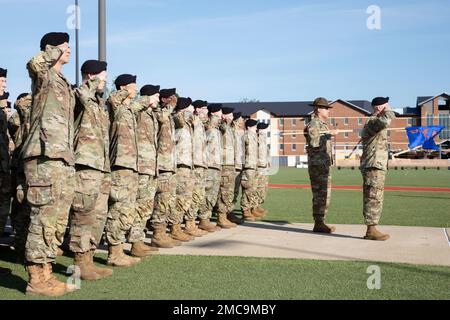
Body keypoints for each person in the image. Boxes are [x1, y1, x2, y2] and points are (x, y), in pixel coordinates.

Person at [21, 32, 78, 296]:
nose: (68, 50)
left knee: (55, 221)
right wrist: (52, 51)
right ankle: (35, 279)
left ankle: (46, 272)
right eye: (64, 47)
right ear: (51, 48)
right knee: (43, 218)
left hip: (61, 157)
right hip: (43, 156)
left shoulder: (63, 81)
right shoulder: (44, 75)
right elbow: (35, 63)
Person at [69, 60, 114, 279]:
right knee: (83, 214)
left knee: (98, 215)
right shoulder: (79, 95)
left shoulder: (98, 103)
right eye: (102, 78)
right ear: (90, 75)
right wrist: (89, 83)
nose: (104, 82)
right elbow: (79, 100)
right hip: (84, 165)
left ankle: (88, 258)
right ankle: (79, 264)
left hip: (101, 166)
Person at [105, 74, 141, 266]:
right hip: (119, 165)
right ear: (123, 87)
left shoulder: (128, 110)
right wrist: (124, 91)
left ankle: (118, 250)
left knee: (126, 210)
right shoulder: (116, 105)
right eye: (132, 86)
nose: (135, 90)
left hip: (130, 165)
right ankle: (114, 253)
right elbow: (112, 98)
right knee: (118, 209)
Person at [128, 84, 161, 256]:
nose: (158, 99)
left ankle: (139, 240)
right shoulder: (139, 111)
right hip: (141, 166)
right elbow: (130, 108)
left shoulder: (151, 115)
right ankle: (135, 242)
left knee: (146, 206)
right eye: (155, 96)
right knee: (139, 205)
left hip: (150, 167)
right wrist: (144, 101)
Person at [149, 88, 181, 248]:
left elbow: (180, 124)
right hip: (161, 165)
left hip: (169, 164)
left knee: (167, 201)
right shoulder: (157, 112)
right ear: (163, 100)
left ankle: (163, 232)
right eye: (170, 98)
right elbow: (160, 117)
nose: (174, 100)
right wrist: (169, 107)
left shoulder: (169, 115)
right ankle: (157, 233)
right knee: (160, 201)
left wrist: (174, 109)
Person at [360, 97, 395, 241]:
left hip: (377, 164)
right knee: (373, 197)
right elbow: (385, 120)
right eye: (386, 106)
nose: (389, 108)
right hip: (373, 164)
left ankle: (372, 228)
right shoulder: (373, 121)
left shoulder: (375, 121)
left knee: (376, 196)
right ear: (380, 108)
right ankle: (371, 230)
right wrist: (389, 111)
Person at [304, 97, 337, 233]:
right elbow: (314, 142)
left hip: (323, 163)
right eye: (325, 108)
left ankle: (321, 221)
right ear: (318, 109)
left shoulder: (322, 125)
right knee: (320, 193)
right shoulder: (314, 124)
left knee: (324, 194)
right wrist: (329, 134)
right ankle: (318, 222)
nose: (328, 111)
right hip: (318, 164)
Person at [8, 93, 32, 262]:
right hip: (21, 167)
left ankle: (26, 246)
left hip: (33, 167)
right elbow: (20, 106)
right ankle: (20, 247)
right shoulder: (19, 117)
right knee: (21, 208)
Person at [172, 97, 200, 240]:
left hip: (188, 165)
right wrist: (182, 111)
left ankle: (181, 225)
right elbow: (179, 118)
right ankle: (175, 228)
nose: (193, 110)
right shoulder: (178, 118)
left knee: (186, 197)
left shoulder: (188, 124)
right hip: (180, 164)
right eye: (190, 107)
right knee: (180, 198)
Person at [198, 104, 223, 232]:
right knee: (207, 194)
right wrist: (212, 118)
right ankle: (203, 219)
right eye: (219, 112)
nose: (221, 114)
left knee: (212, 194)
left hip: (216, 165)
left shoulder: (217, 129)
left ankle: (206, 218)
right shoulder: (208, 126)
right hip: (209, 165)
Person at [189, 100, 212, 234]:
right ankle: (189, 224)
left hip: (202, 163)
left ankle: (195, 223)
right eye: (203, 108)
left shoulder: (202, 124)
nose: (206, 111)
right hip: (194, 163)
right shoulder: (193, 121)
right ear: (197, 109)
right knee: (192, 195)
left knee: (199, 195)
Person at [214, 107, 237, 229]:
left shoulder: (229, 128)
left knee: (228, 192)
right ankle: (221, 217)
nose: (233, 117)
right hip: (224, 164)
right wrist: (224, 119)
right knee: (224, 191)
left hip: (230, 163)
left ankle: (225, 216)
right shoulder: (223, 126)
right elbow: (221, 126)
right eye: (231, 115)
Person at [240, 119, 259, 221]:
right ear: (249, 127)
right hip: (248, 166)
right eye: (254, 126)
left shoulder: (253, 137)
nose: (256, 128)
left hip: (253, 165)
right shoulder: (246, 136)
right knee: (248, 188)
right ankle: (245, 210)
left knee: (252, 189)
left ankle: (250, 208)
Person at [229, 112, 245, 224]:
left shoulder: (239, 133)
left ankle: (230, 211)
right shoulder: (232, 132)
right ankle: (228, 213)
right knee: (230, 191)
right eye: (240, 119)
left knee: (235, 191)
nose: (243, 121)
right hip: (233, 165)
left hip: (239, 164)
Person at [254, 122, 271, 218]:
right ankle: (254, 207)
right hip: (258, 167)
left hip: (264, 166)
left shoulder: (263, 139)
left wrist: (268, 160)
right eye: (264, 129)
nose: (265, 131)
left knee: (263, 188)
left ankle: (258, 205)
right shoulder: (256, 139)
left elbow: (266, 152)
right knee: (257, 187)